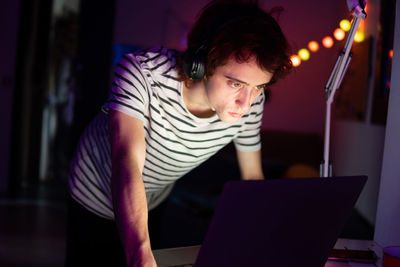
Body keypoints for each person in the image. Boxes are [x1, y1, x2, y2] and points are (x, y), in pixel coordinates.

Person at [65, 0, 292, 266]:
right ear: (203, 62)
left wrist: (267, 238)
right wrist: (140, 252)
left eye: (259, 87)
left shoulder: (252, 102)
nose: (246, 101)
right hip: (94, 193)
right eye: (235, 83)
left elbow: (253, 177)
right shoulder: (143, 74)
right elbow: (127, 163)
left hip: (152, 200)